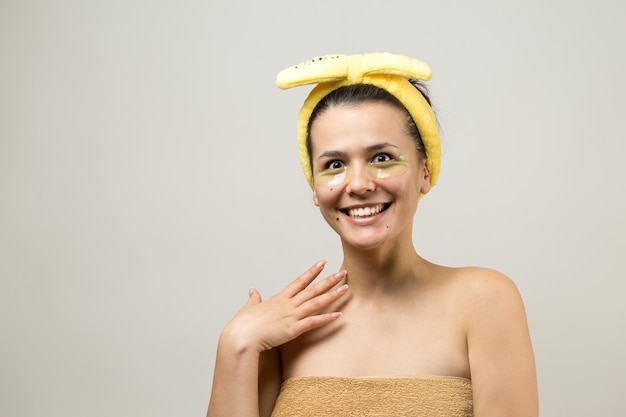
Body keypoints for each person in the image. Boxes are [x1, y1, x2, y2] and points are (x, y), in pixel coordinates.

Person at [206, 52, 538, 417]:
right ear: (315, 190)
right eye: (334, 165)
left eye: (381, 158)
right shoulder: (283, 330)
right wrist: (235, 344)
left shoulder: (484, 302)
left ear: (425, 172)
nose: (359, 184)